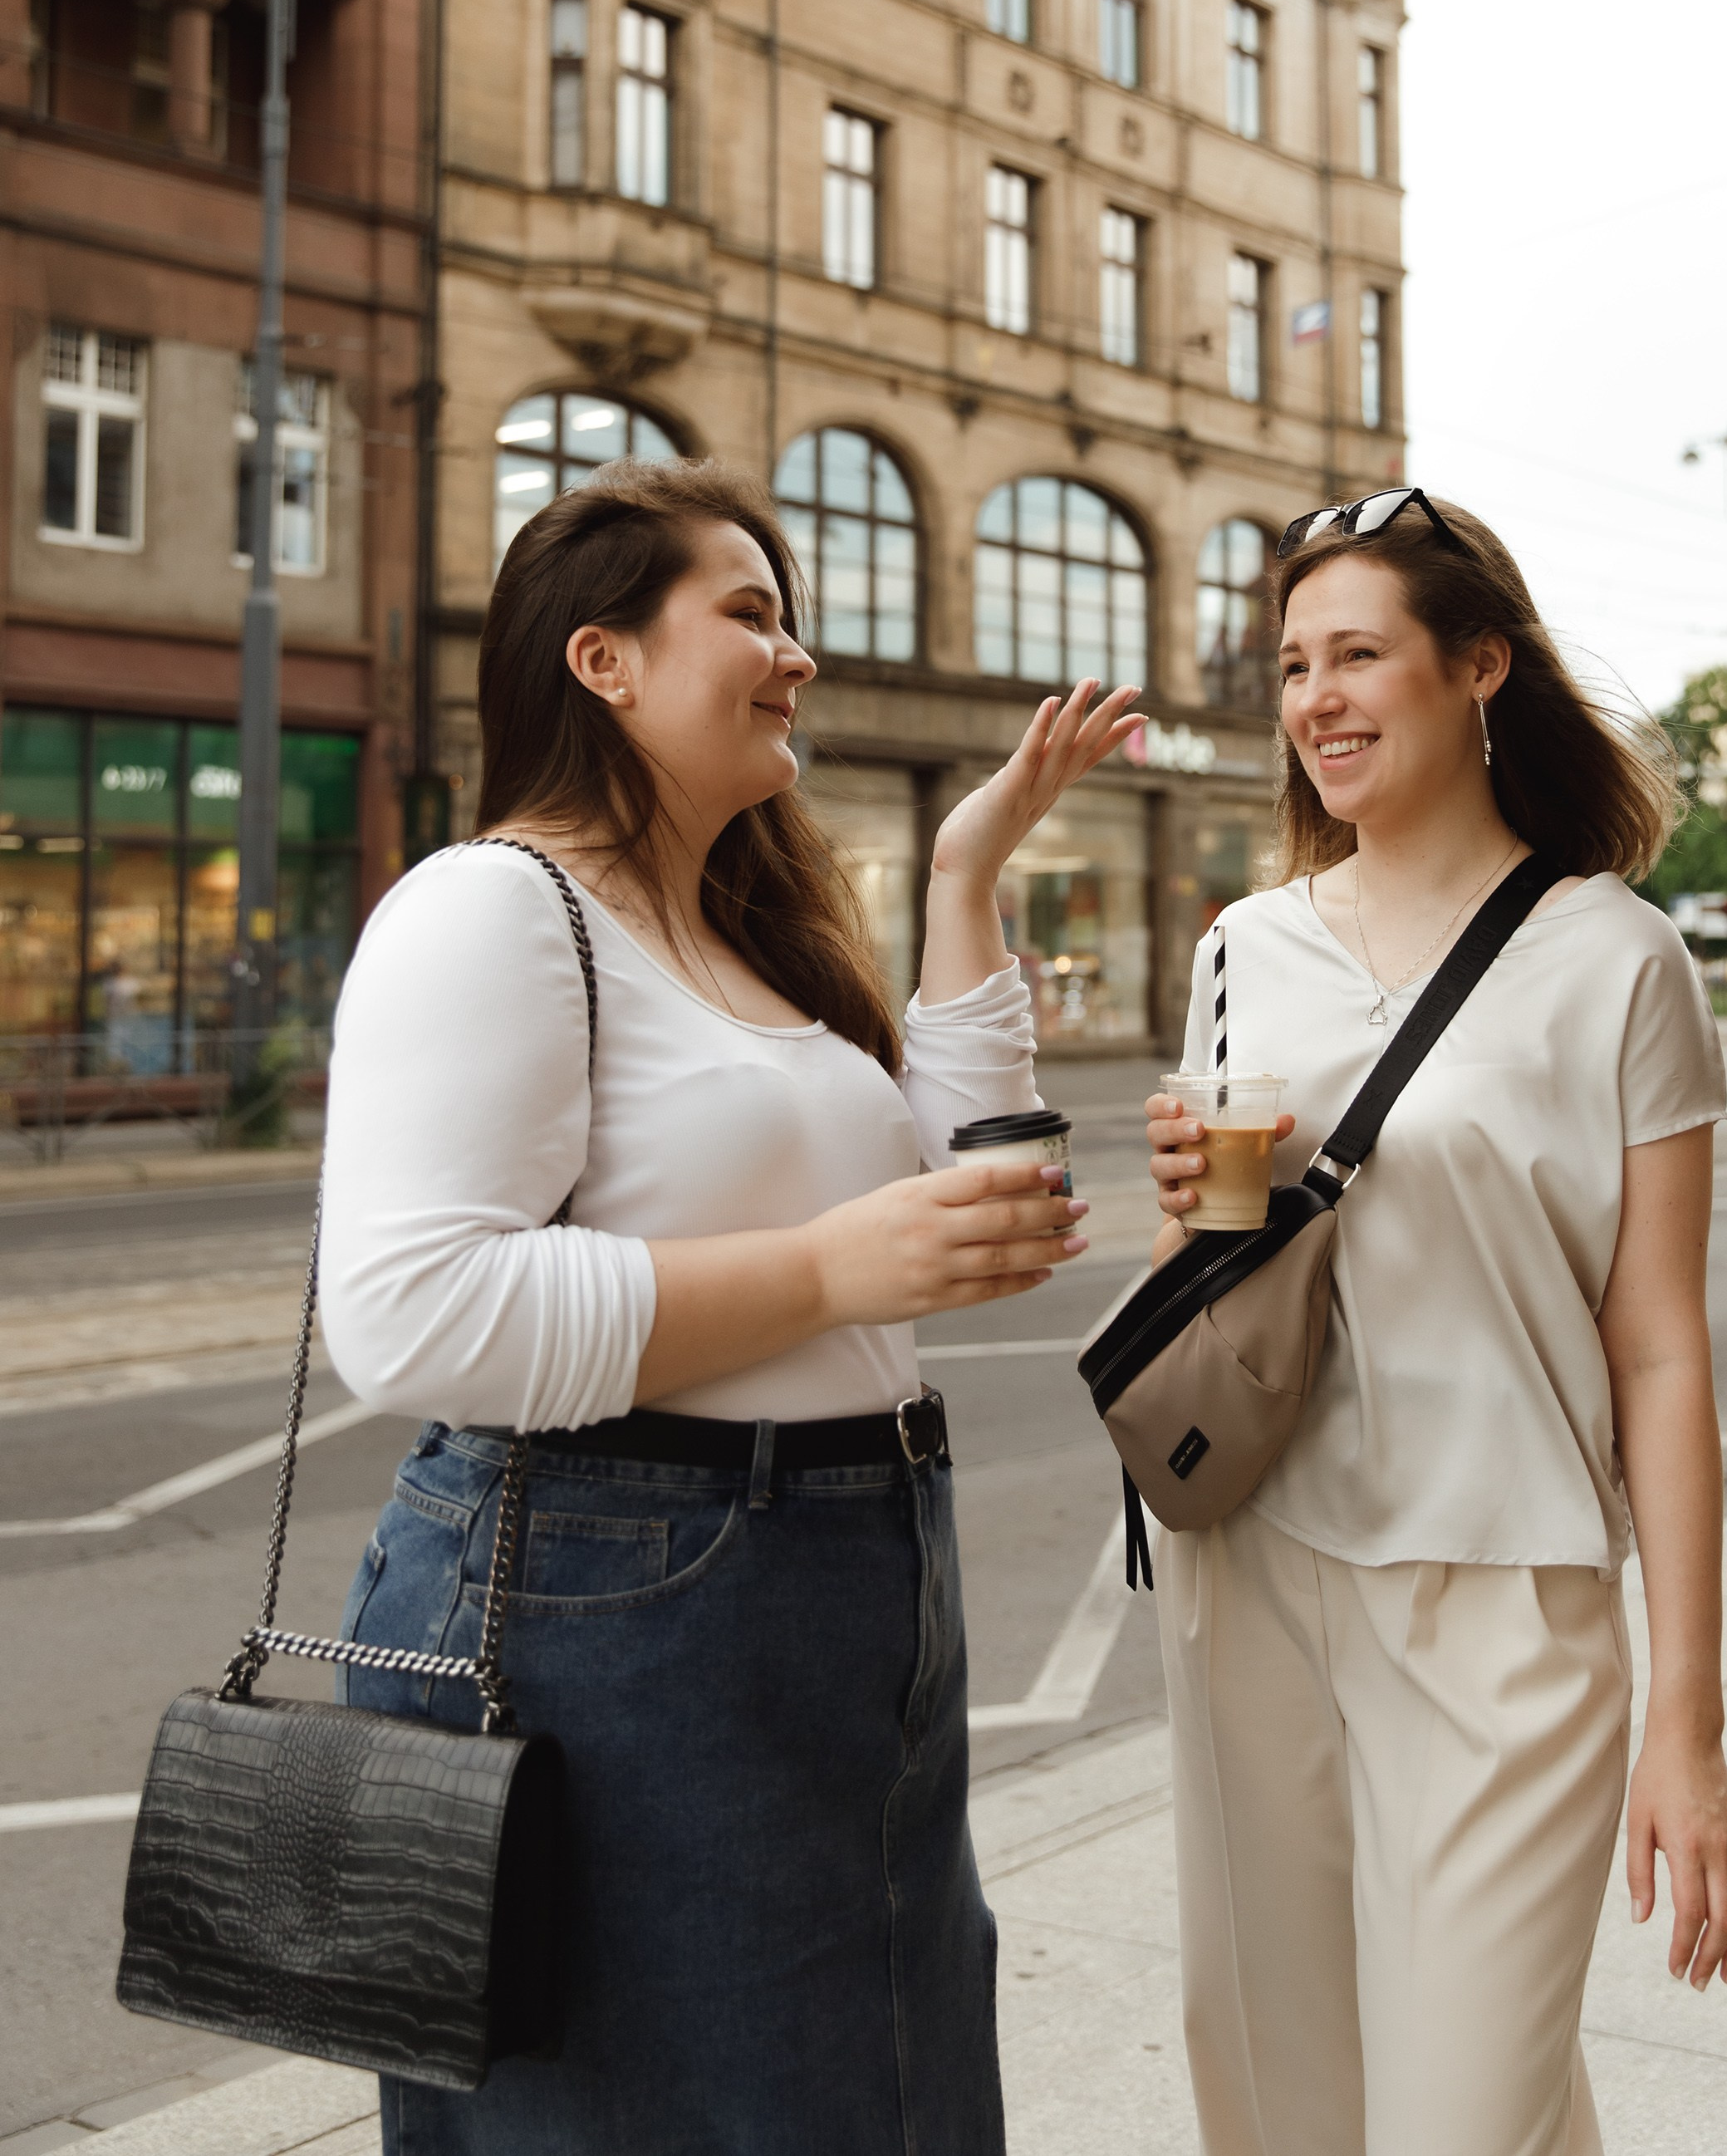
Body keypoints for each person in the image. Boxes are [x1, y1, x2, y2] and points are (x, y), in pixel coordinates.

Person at [317, 457, 1139, 2154]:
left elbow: (955, 1173)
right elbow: (409, 1312)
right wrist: (835, 1272)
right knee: (705, 2103)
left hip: (844, 1569)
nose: (800, 654)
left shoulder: (744, 935)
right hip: (627, 1588)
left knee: (877, 2086)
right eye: (752, 611)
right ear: (602, 659)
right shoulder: (494, 906)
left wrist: (964, 878)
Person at [1144, 488, 1727, 2156]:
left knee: (1464, 2110)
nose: (1317, 699)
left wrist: (1685, 1722)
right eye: (1290, 666)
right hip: (1252, 1572)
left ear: (1478, 667)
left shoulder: (1617, 958)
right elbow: (1235, 1275)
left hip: (1510, 1598)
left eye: (1359, 654)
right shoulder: (1238, 947)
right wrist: (1195, 1197)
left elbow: (1661, 1346)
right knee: (1280, 2095)